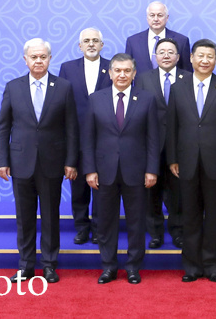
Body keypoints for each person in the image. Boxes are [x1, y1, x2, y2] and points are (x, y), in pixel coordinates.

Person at [0, 38, 78, 284]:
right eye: (34, 57)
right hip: (21, 162)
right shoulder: (13, 87)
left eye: (43, 57)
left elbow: (72, 128)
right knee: (25, 218)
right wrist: (2, 160)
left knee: (51, 217)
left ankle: (50, 265)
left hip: (53, 162)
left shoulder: (64, 87)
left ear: (50, 59)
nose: (38, 61)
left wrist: (71, 161)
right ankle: (26, 266)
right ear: (25, 60)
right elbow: (3, 127)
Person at [166, 39, 216, 283]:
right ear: (191, 58)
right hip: (186, 162)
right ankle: (191, 266)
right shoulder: (178, 87)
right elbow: (172, 126)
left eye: (210, 56)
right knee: (189, 216)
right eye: (200, 56)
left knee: (215, 216)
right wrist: (172, 158)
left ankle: (214, 265)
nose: (205, 60)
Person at [82, 54, 160, 284]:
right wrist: (90, 170)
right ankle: (109, 267)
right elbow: (88, 138)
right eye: (118, 70)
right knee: (106, 222)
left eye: (127, 71)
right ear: (110, 73)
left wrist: (152, 170)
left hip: (137, 171)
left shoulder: (147, 99)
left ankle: (134, 267)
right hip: (104, 172)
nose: (122, 75)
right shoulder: (96, 99)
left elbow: (153, 138)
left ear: (134, 74)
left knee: (136, 222)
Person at [57, 28, 111, 245]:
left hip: (106, 139)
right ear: (80, 46)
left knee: (102, 188)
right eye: (86, 41)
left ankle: (99, 228)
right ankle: (81, 227)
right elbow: (60, 103)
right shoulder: (67, 68)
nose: (91, 44)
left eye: (95, 40)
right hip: (76, 138)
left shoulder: (113, 67)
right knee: (78, 187)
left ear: (102, 45)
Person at [137, 37, 191, 249]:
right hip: (152, 144)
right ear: (155, 57)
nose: (166, 55)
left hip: (181, 145)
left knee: (179, 192)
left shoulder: (189, 78)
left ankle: (178, 231)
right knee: (152, 191)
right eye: (161, 52)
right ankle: (155, 233)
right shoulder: (143, 78)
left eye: (171, 52)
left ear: (178, 57)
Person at [125, 1, 192, 72]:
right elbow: (127, 69)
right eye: (152, 15)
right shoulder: (133, 41)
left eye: (160, 15)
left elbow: (187, 72)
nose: (156, 19)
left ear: (167, 17)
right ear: (147, 17)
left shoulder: (181, 41)